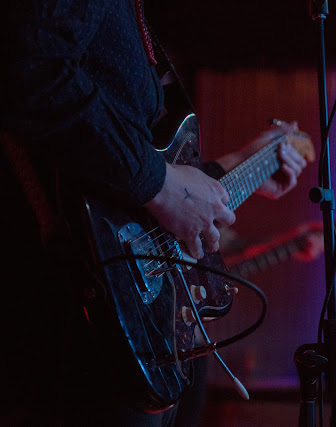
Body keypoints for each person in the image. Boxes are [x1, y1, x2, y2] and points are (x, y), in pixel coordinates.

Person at [0, 1, 308, 425]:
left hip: (127, 309)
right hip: (72, 310)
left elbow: (124, 180)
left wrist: (237, 167)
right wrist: (161, 184)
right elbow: (31, 71)